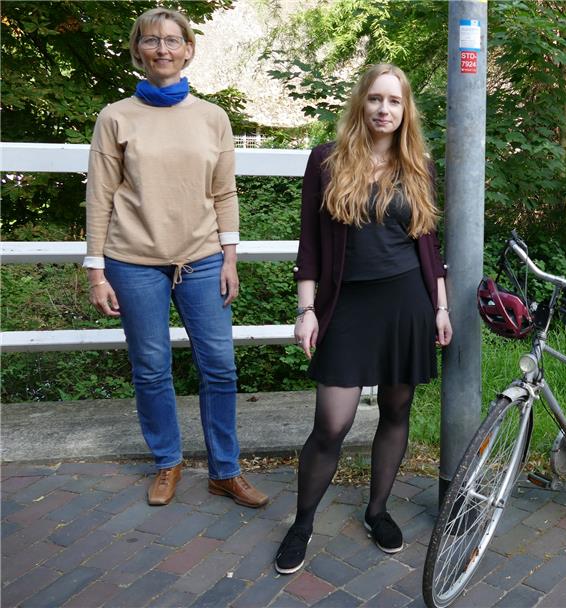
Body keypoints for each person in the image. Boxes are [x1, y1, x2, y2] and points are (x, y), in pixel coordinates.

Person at [84, 8, 268, 509]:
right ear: (137, 50)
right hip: (132, 260)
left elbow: (224, 193)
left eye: (173, 40)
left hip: (203, 258)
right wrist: (97, 270)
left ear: (189, 49)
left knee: (220, 366)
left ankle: (224, 471)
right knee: (150, 367)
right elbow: (99, 196)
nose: (162, 49)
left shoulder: (213, 118)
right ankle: (168, 462)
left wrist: (229, 257)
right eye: (151, 40)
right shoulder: (116, 117)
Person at [274, 63, 453, 574]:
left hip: (407, 305)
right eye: (376, 99)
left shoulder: (416, 162)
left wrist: (440, 306)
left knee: (396, 412)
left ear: (405, 110)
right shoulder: (327, 161)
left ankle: (377, 511)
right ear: (361, 103)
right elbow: (310, 243)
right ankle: (302, 523)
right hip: (346, 305)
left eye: (394, 102)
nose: (384, 109)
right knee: (332, 424)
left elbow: (429, 243)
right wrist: (306, 310)